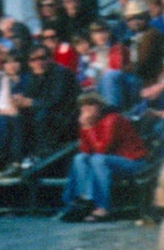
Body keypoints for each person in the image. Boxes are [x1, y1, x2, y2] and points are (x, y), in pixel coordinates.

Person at [58, 94, 149, 223]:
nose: (86, 108)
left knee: (98, 159)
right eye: (83, 105)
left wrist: (88, 127)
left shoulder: (112, 119)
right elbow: (85, 150)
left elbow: (102, 149)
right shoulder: (92, 121)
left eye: (91, 104)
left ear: (100, 106)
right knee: (80, 158)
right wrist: (84, 127)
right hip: (110, 161)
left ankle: (102, 207)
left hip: (132, 161)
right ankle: (83, 200)